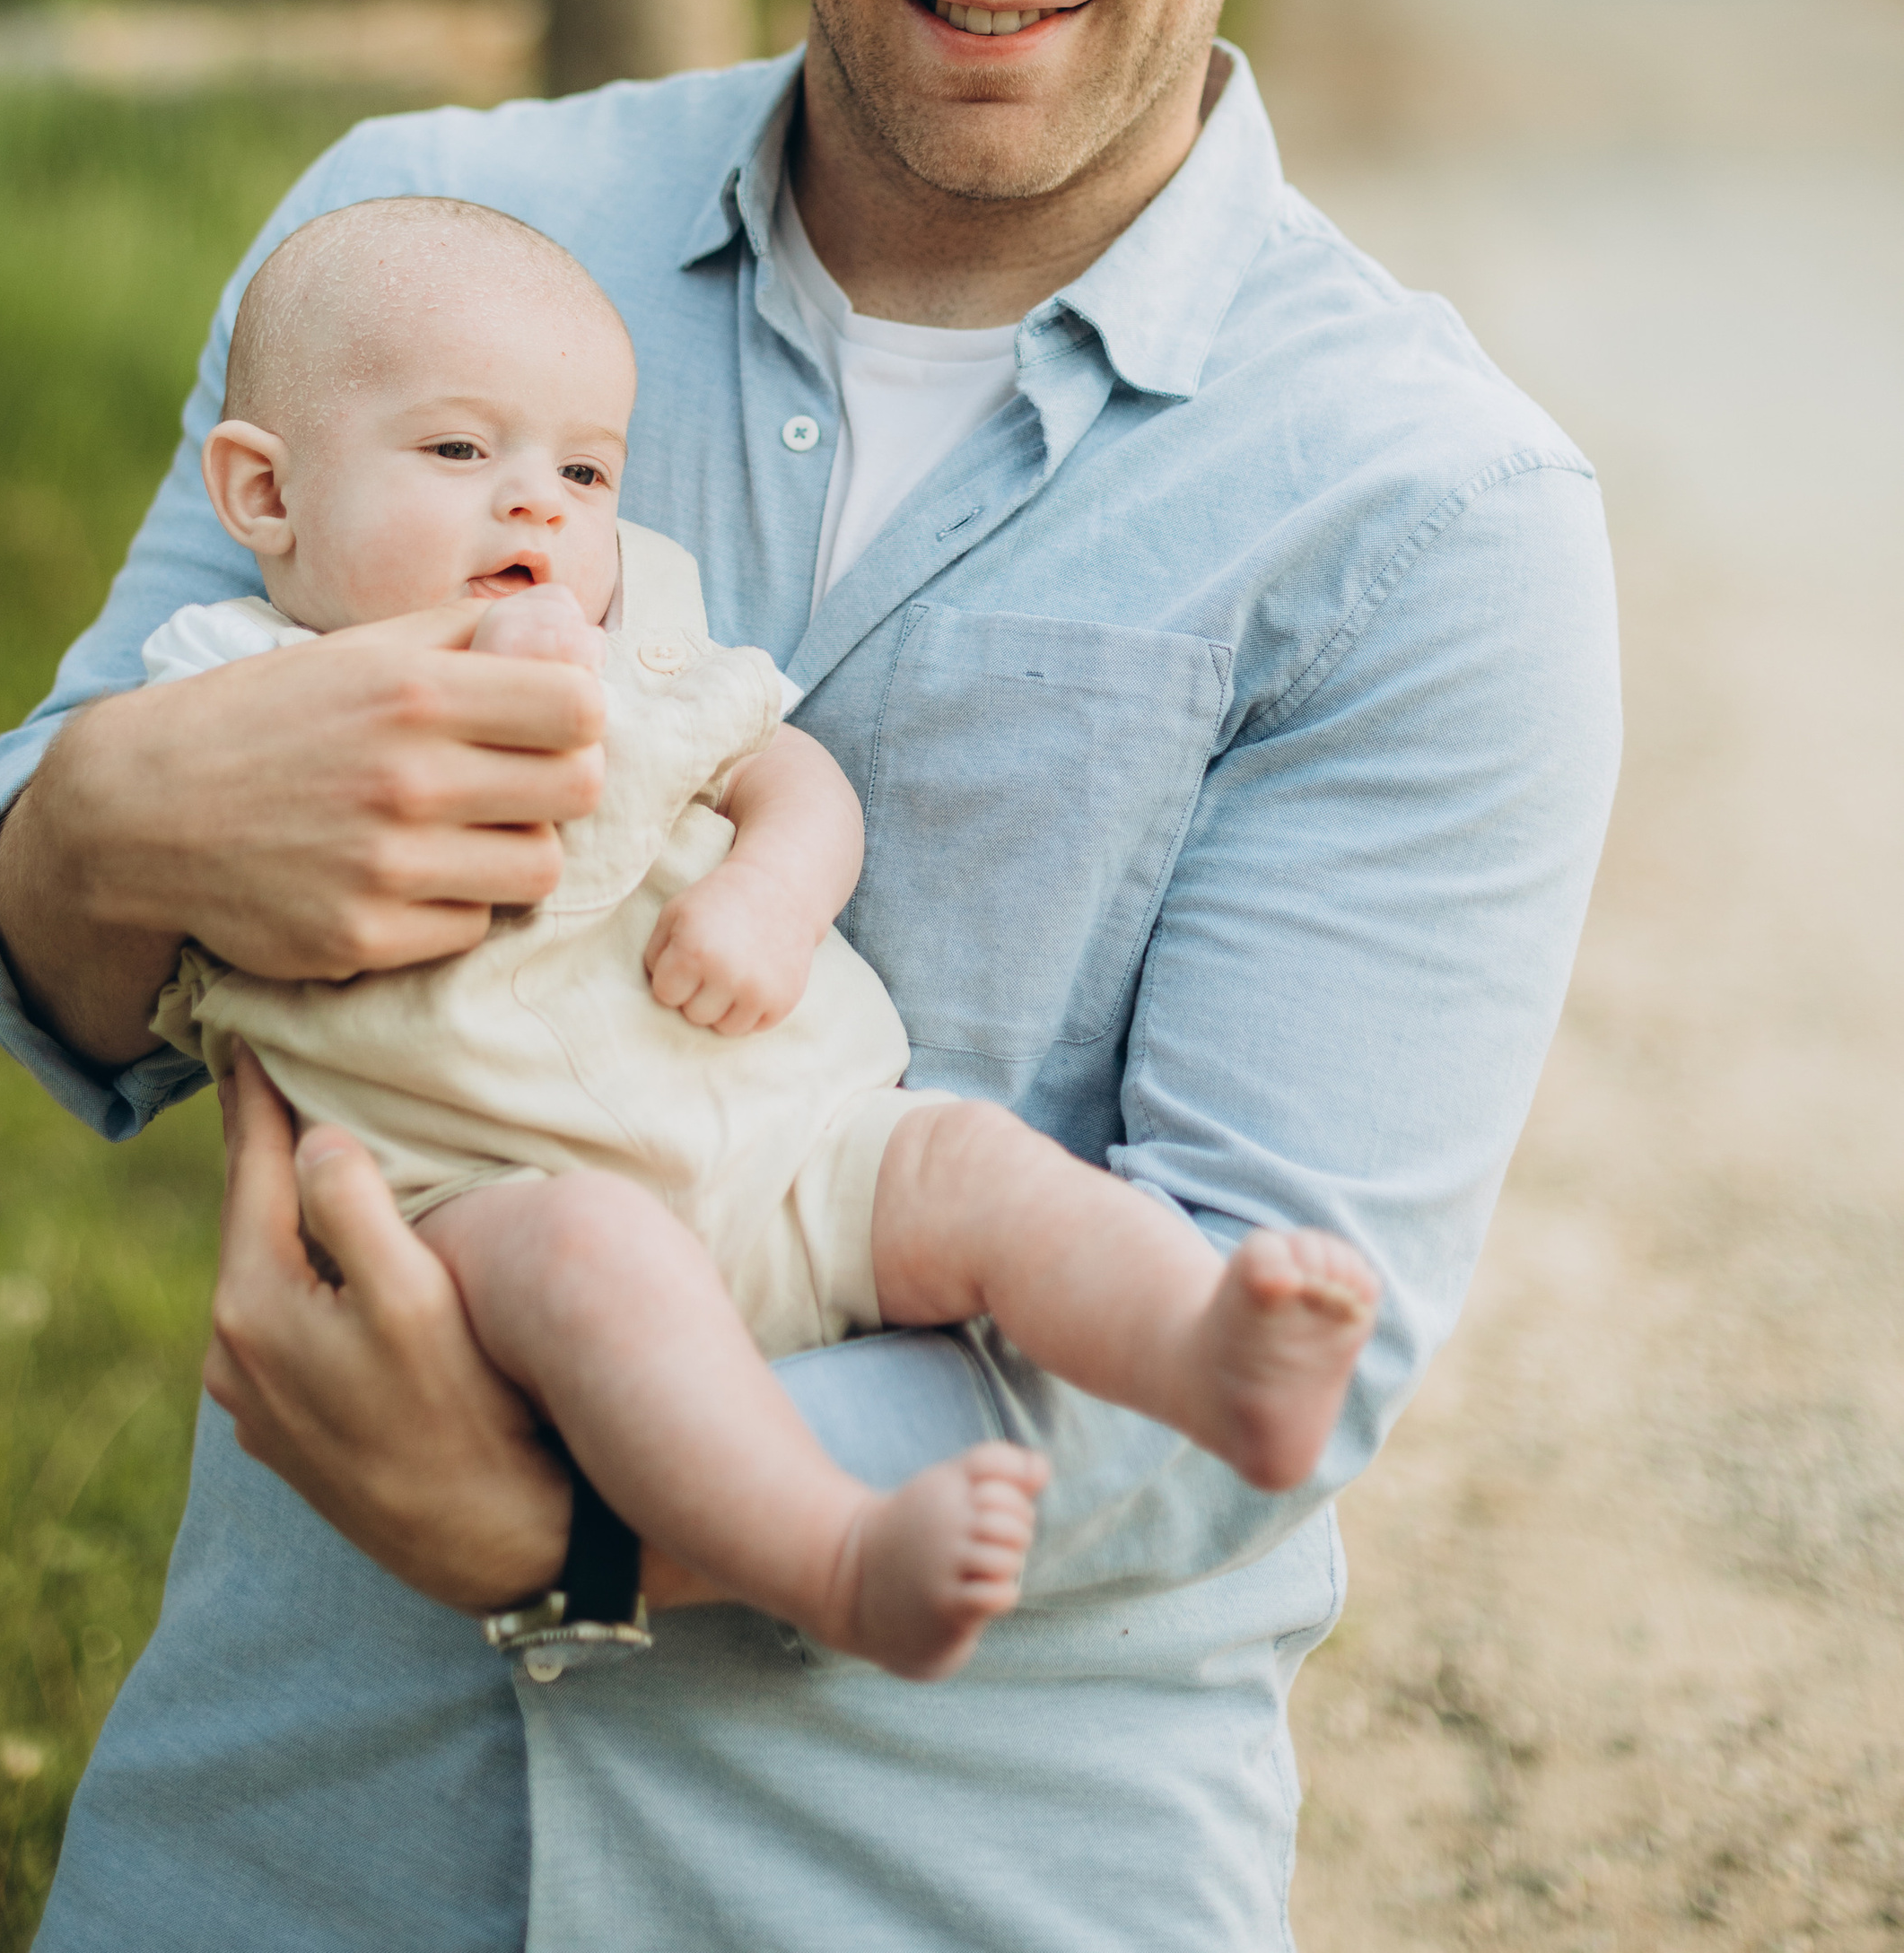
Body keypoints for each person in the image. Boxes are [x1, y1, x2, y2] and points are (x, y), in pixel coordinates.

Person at [0, 0, 1621, 1950]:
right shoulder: (422, 244)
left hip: (932, 1874)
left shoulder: (1436, 524)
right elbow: (58, 898)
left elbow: (1261, 1371)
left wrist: (575, 1511)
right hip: (286, 1847)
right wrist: (108, 826)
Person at [139, 194, 1380, 1679]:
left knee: (973, 1166)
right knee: (607, 1268)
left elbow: (789, 775)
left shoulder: (645, 624)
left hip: (802, 1149)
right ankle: (841, 1558)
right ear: (265, 499)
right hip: (492, 1203)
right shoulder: (223, 685)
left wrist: (774, 894)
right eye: (462, 452)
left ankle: (1196, 1350)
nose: (538, 506)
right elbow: (167, 886)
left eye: (584, 469)